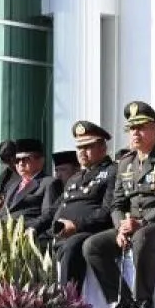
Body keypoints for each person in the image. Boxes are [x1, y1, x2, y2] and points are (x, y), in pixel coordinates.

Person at [83, 101, 155, 308]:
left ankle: (144, 302)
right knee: (92, 246)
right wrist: (120, 228)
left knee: (142, 237)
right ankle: (123, 301)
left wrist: (141, 222)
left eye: (141, 127)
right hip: (134, 227)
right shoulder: (125, 163)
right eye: (132, 128)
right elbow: (117, 204)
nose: (135, 133)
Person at [46, 120, 117, 291]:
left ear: (103, 148)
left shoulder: (112, 172)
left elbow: (107, 211)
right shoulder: (75, 178)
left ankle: (68, 301)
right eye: (79, 148)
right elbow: (59, 208)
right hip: (64, 235)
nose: (82, 152)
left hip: (92, 232)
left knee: (73, 245)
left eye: (88, 147)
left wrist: (76, 226)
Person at [1, 139, 62, 242]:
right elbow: (3, 213)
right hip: (5, 236)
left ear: (40, 160)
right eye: (17, 160)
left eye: (25, 159)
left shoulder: (49, 183)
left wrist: (28, 229)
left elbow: (48, 215)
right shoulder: (13, 186)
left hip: (28, 236)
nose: (20, 163)